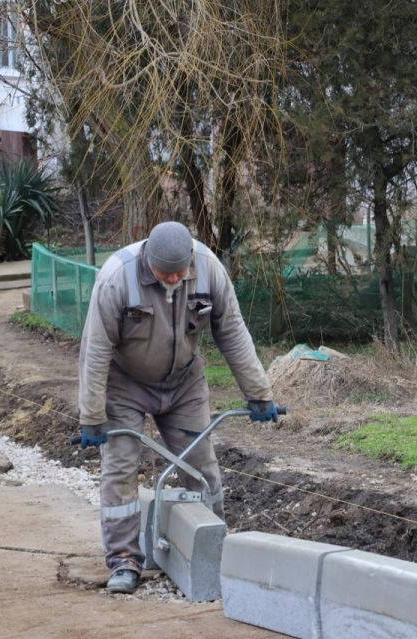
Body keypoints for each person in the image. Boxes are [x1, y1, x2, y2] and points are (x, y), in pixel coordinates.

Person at [77, 221, 278, 594]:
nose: (172, 278)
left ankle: (215, 549)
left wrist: (259, 393)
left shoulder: (208, 268)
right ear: (147, 260)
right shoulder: (116, 278)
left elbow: (231, 330)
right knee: (120, 467)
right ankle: (123, 559)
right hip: (126, 386)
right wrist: (91, 415)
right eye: (163, 272)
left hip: (184, 382)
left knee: (202, 467)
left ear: (189, 261)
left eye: (178, 271)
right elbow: (96, 348)